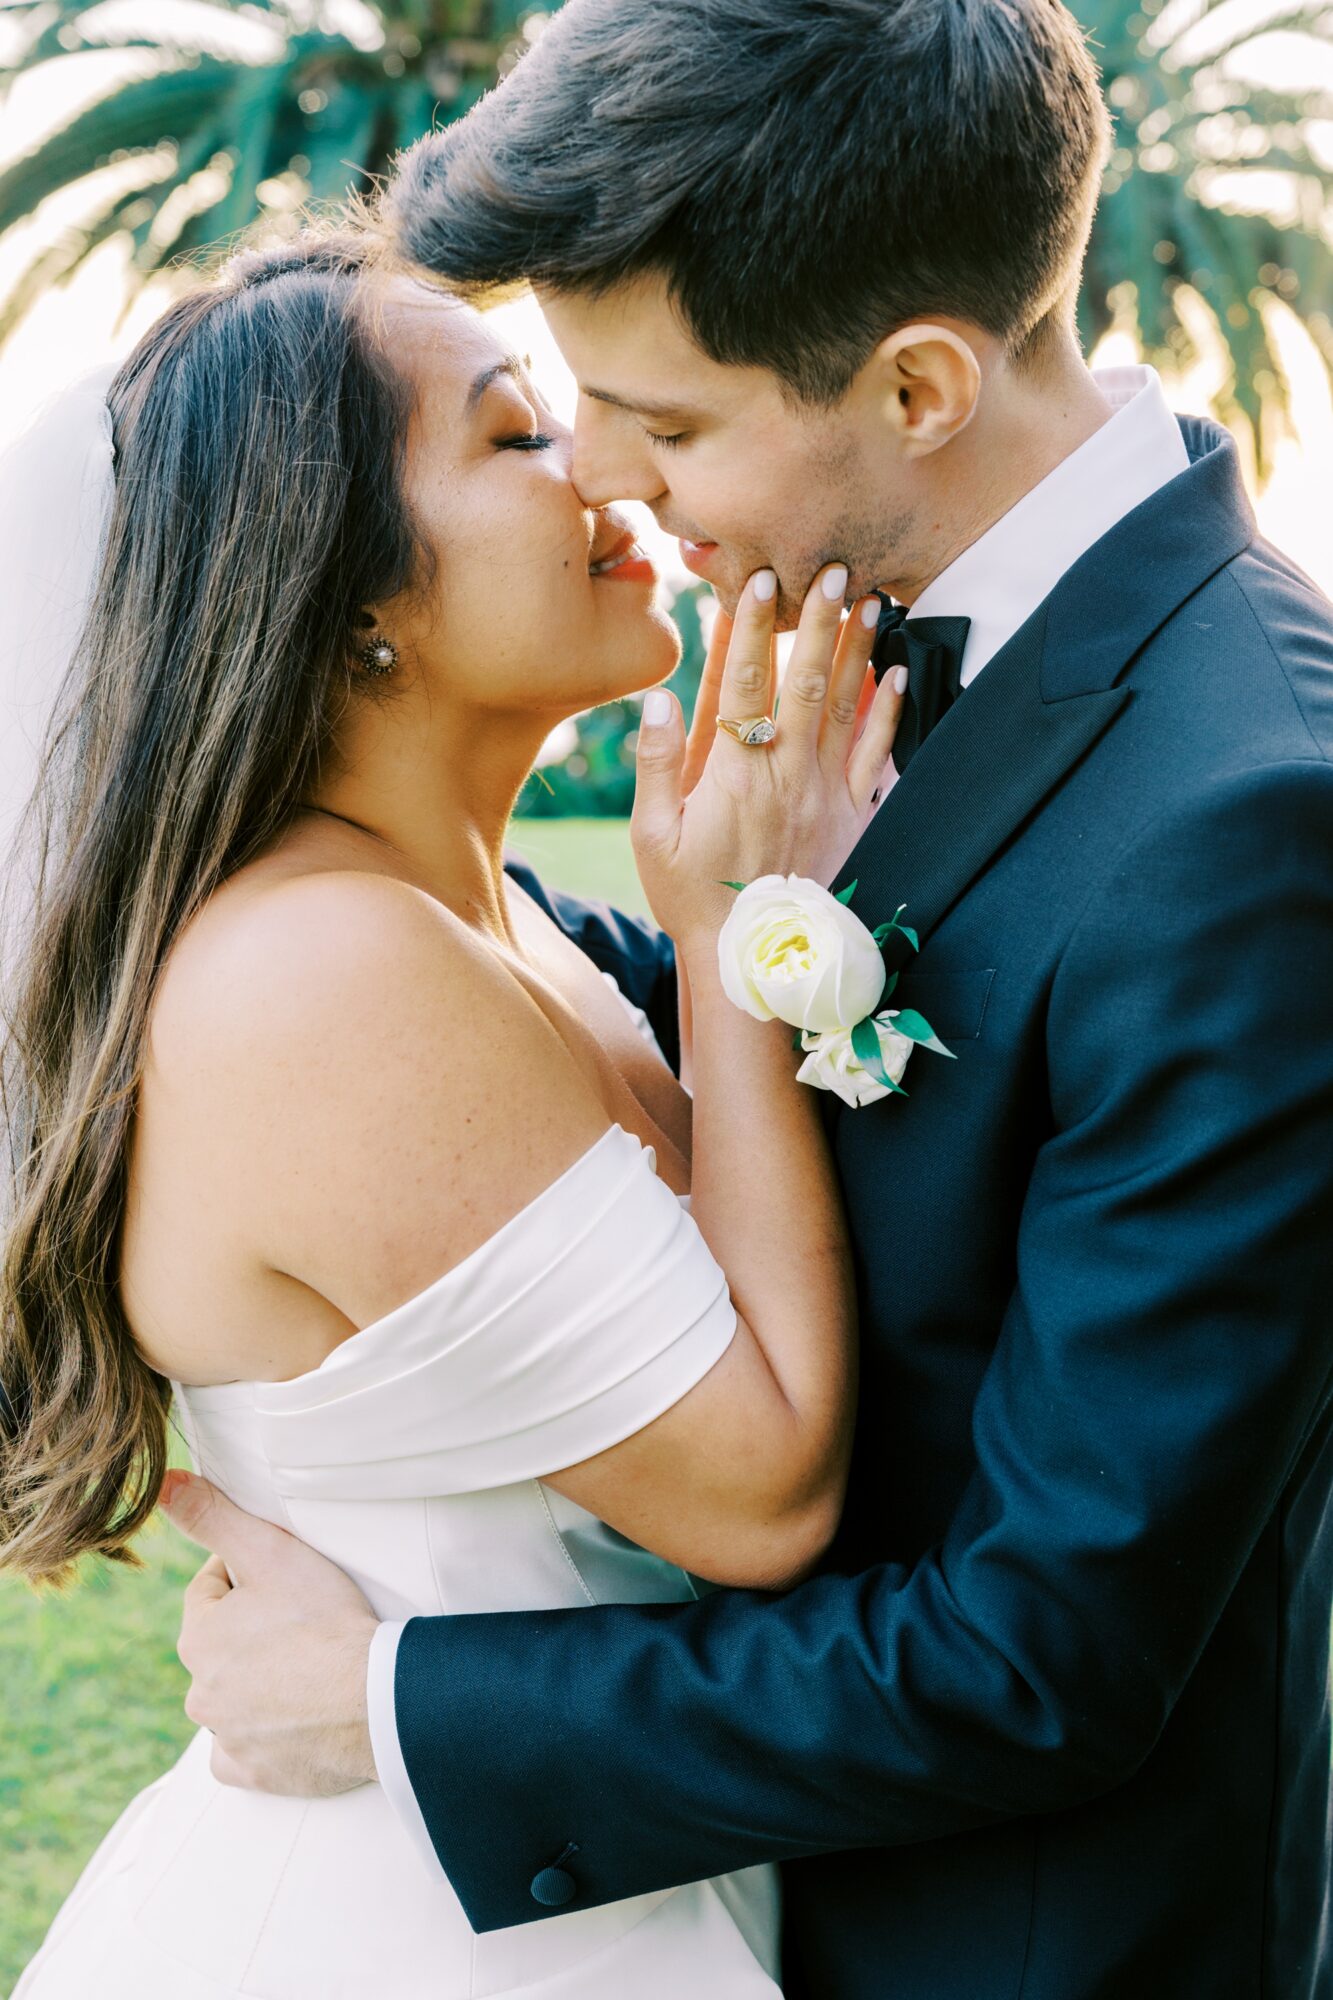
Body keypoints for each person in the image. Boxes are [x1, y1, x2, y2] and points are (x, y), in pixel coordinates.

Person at [154, 2, 1333, 1997]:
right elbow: (660, 1041)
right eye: (562, 407)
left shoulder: (1252, 817)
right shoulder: (886, 618)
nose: (601, 475)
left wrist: (398, 1701)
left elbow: (1044, 1651)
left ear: (921, 385)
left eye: (666, 425)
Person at [0, 221, 907, 1997]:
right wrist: (733, 926)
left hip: (572, 1865)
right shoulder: (323, 973)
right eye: (510, 436)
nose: (598, 464)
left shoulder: (474, 920)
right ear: (342, 593)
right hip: (418, 1927)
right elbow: (763, 1486)